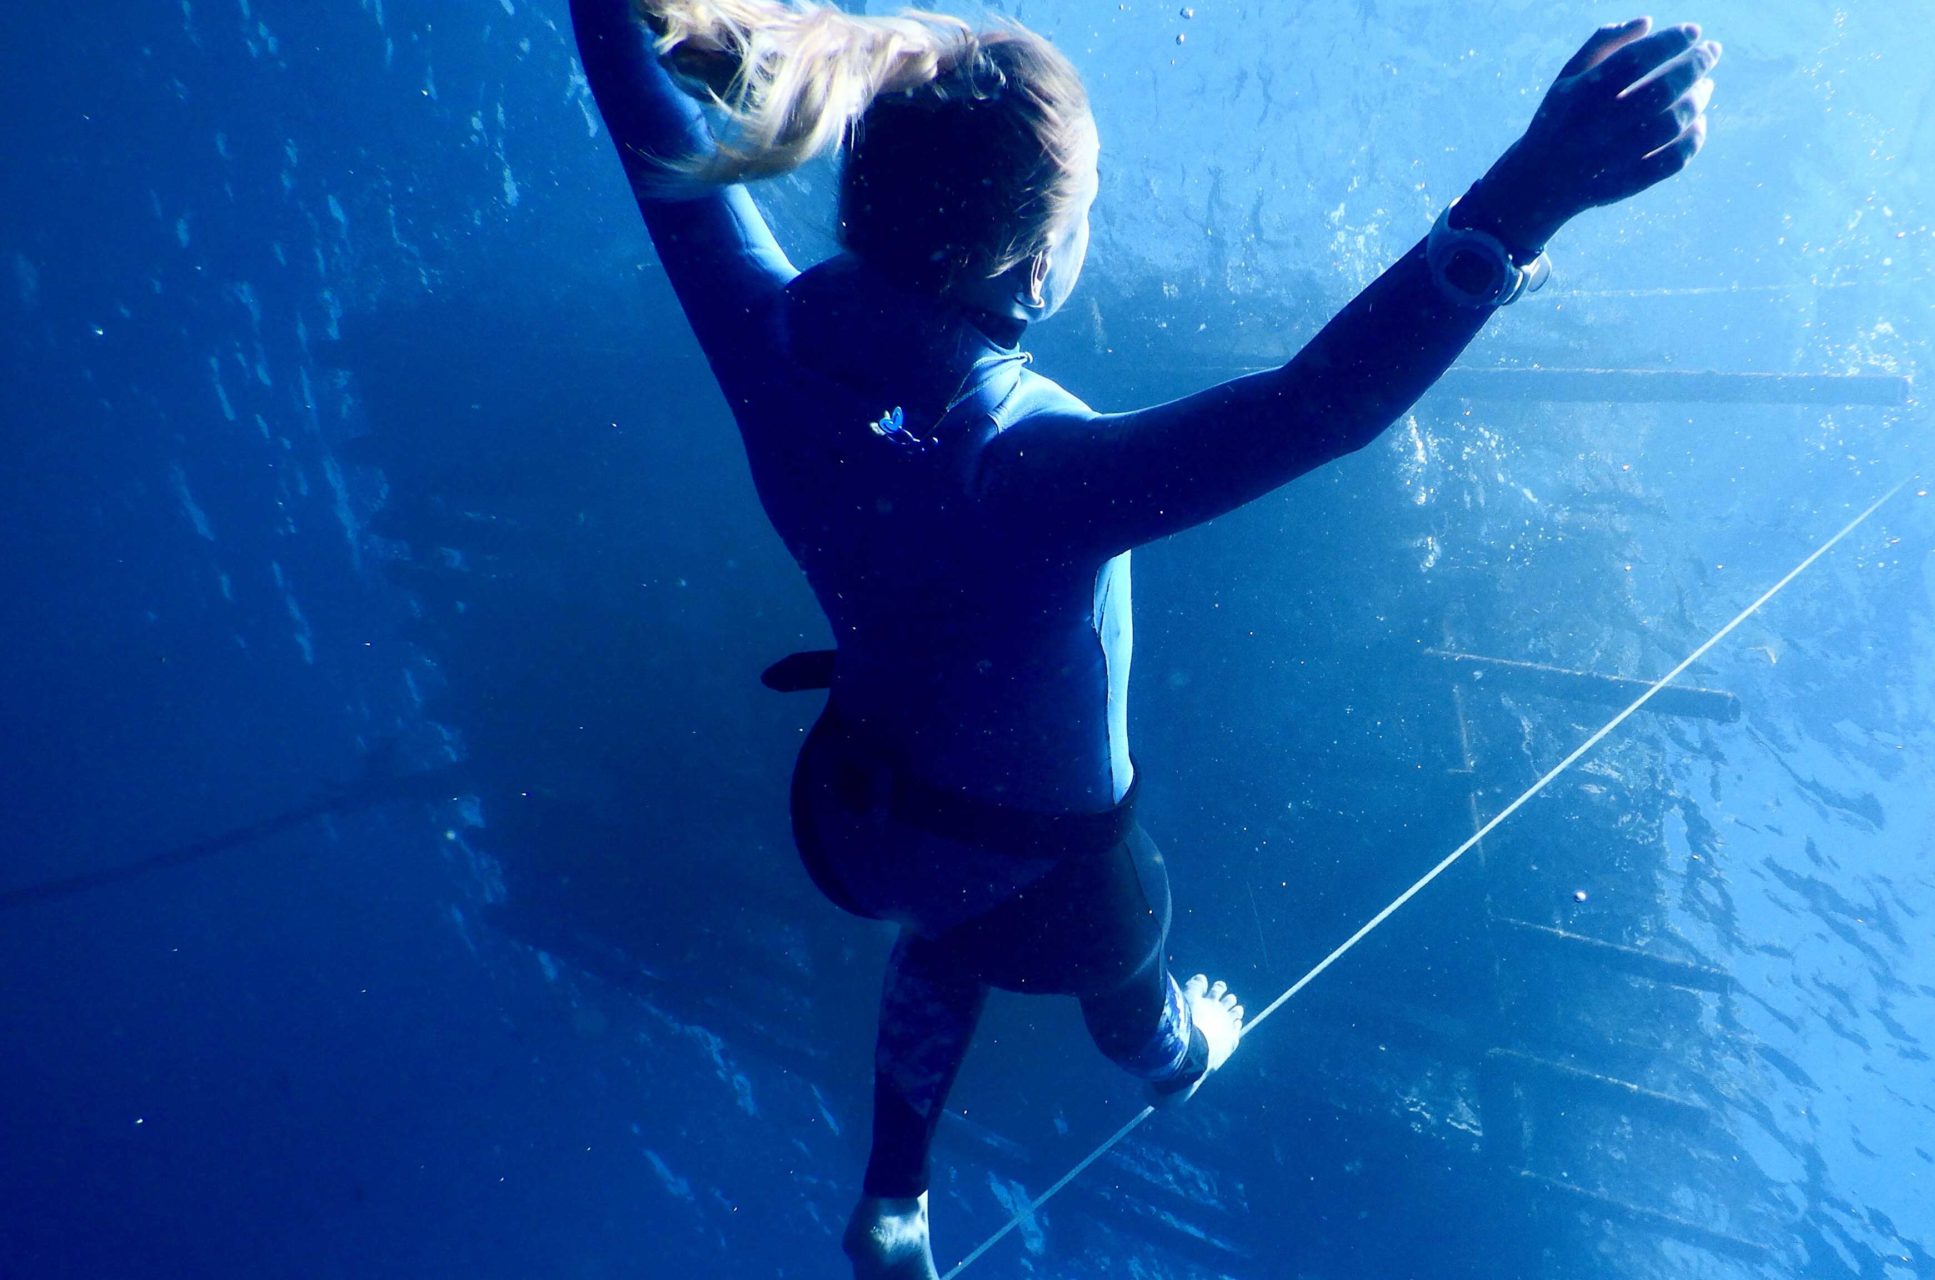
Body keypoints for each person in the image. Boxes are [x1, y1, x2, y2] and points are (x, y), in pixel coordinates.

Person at [568, 1, 1717, 1274]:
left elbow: (629, 85)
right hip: (1035, 869)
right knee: (1125, 945)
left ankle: (896, 1194)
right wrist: (1525, 200)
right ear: (1035, 270)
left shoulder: (754, 326)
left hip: (847, 816)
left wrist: (1520, 203)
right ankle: (1174, 1053)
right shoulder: (1018, 468)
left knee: (942, 922)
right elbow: (1316, 410)